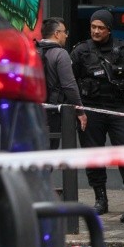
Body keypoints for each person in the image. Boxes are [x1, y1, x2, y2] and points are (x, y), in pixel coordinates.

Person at [71, 9, 124, 216]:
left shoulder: (123, 49)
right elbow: (70, 81)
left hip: (118, 108)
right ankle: (100, 198)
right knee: (94, 154)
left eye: (100, 28)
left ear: (109, 30)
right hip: (91, 108)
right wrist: (78, 110)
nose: (96, 31)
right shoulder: (80, 51)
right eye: (93, 27)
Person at [37, 17, 87, 149]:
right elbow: (69, 86)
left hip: (33, 110)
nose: (66, 35)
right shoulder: (61, 54)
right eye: (64, 32)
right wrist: (80, 111)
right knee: (50, 151)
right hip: (52, 111)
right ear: (56, 34)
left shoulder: (32, 52)